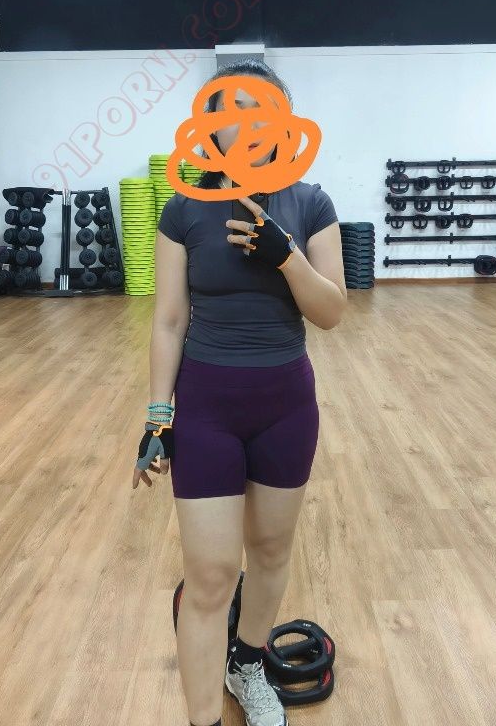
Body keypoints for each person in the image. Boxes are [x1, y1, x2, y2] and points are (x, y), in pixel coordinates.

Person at [133, 59, 346, 726]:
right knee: (211, 574)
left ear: (285, 123)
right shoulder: (183, 211)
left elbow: (332, 312)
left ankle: (246, 663)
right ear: (209, 130)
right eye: (232, 113)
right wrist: (159, 417)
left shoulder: (311, 204)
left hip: (285, 406)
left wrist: (286, 255)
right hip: (207, 408)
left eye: (262, 110)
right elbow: (168, 320)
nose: (247, 125)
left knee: (272, 551)